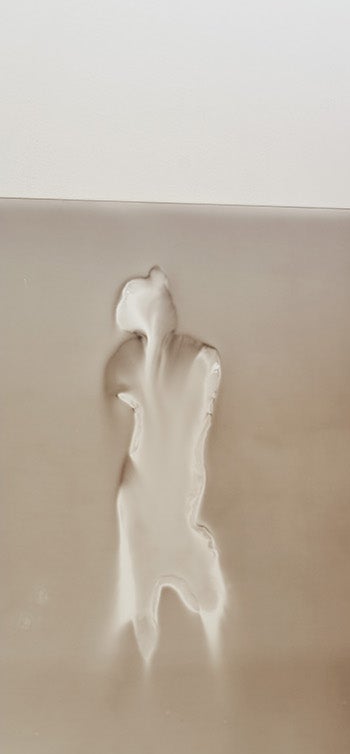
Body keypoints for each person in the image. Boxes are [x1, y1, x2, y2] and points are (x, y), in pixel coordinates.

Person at [105, 266, 227, 663]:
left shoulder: (193, 358)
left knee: (164, 605)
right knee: (145, 606)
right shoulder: (143, 360)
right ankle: (144, 676)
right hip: (146, 495)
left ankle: (153, 671)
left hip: (157, 496)